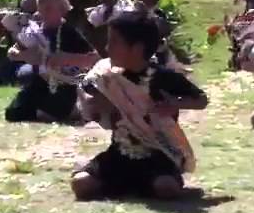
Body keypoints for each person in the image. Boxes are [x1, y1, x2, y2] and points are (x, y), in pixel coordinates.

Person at [73, 13, 208, 201]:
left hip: (157, 154)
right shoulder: (106, 75)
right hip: (119, 154)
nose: (107, 48)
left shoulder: (163, 77)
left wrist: (174, 104)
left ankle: (142, 183)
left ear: (136, 49)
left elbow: (201, 100)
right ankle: (113, 178)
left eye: (114, 42)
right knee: (80, 184)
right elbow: (87, 92)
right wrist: (96, 104)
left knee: (166, 188)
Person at [5, 0, 99, 123]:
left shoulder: (69, 32)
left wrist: (65, 58)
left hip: (63, 85)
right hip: (38, 82)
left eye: (48, 8)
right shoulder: (34, 31)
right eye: (40, 8)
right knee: (13, 114)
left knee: (46, 115)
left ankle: (74, 108)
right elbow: (13, 51)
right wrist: (22, 55)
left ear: (62, 10)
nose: (42, 12)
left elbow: (94, 59)